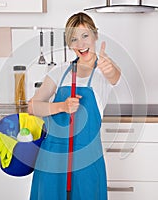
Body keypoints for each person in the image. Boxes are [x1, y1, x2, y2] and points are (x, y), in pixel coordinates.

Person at [28, 12, 121, 200]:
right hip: (53, 158)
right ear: (69, 44)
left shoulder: (103, 72)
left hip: (87, 158)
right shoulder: (59, 72)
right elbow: (33, 107)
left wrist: (110, 69)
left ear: (95, 35)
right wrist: (61, 106)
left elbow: (115, 76)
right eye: (74, 39)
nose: (80, 44)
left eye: (85, 36)